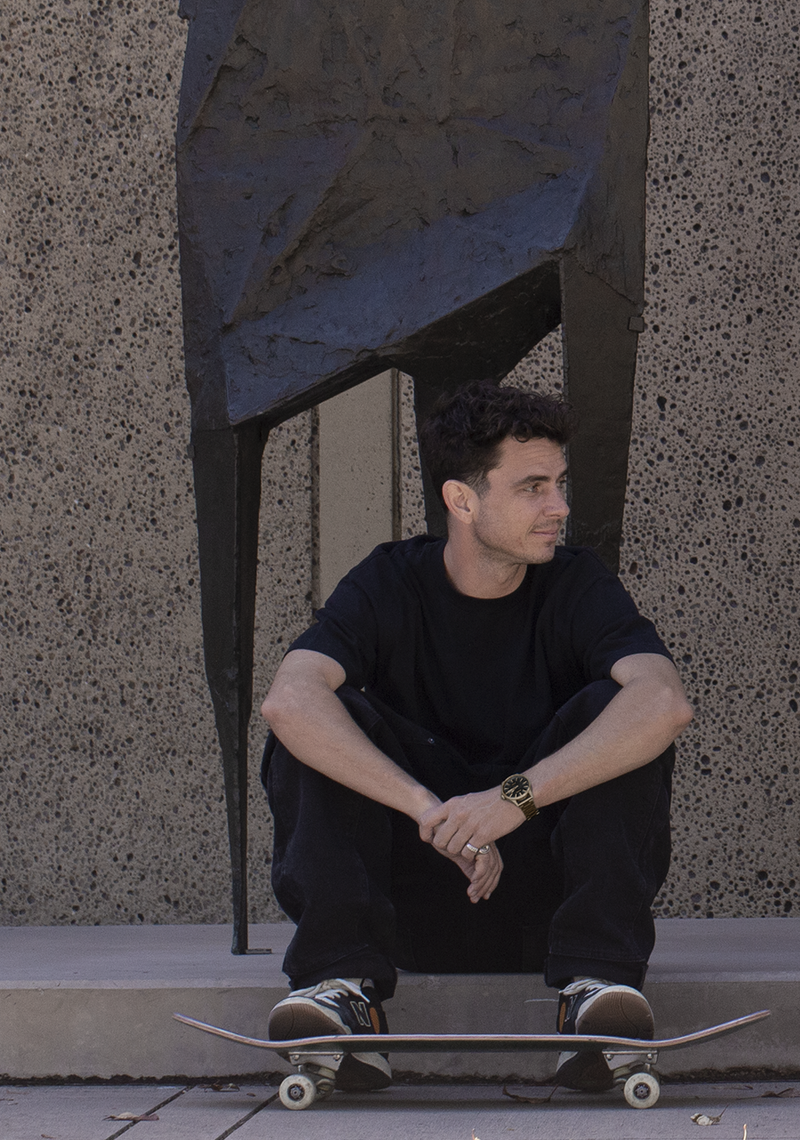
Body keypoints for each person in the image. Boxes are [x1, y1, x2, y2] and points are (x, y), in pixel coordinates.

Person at [259, 381, 693, 1093]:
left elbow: (664, 703)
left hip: (546, 901)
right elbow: (289, 700)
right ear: (462, 500)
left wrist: (510, 800)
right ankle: (342, 991)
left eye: (559, 484)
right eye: (532, 488)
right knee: (325, 723)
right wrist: (434, 811)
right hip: (410, 897)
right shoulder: (387, 584)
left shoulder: (577, 585)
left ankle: (595, 994)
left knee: (617, 711)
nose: (559, 507)